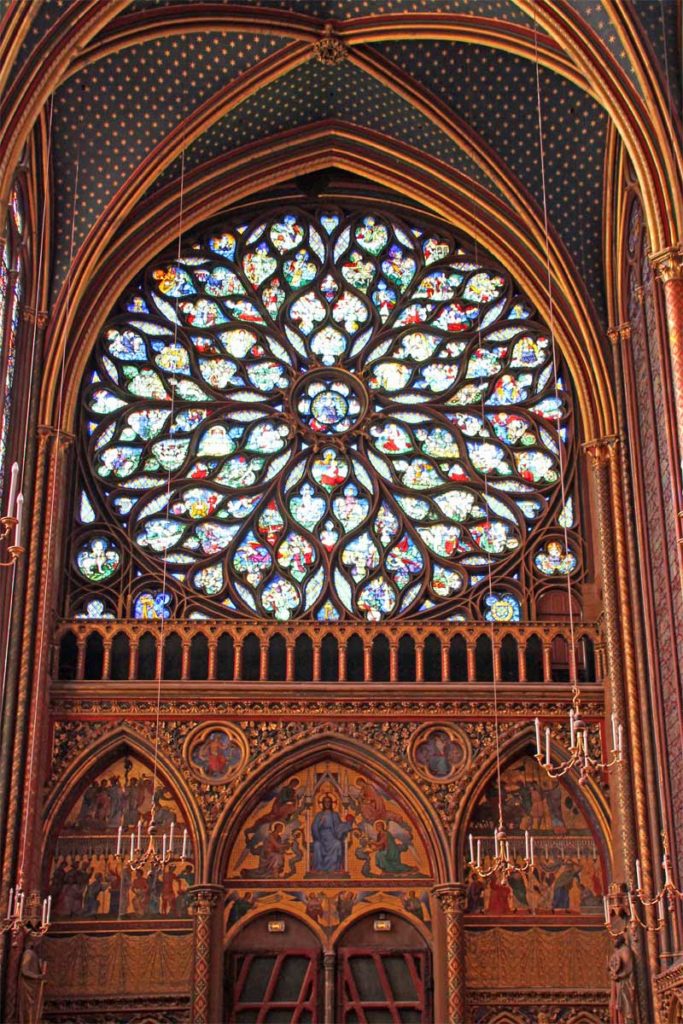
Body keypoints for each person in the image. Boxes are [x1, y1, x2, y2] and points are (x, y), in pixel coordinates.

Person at [311, 796, 354, 873]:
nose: (327, 803)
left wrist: (347, 824)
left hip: (332, 836)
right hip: (321, 837)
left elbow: (338, 827)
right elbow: (314, 828)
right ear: (322, 803)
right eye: (325, 802)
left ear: (331, 803)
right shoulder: (319, 815)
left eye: (329, 802)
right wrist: (321, 823)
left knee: (337, 844)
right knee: (317, 845)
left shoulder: (335, 815)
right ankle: (319, 868)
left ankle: (334, 868)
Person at [608, 934, 639, 1024]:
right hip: (619, 982)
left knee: (626, 1007)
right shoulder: (618, 951)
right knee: (618, 1006)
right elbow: (614, 966)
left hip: (625, 983)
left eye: (615, 939)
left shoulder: (625, 950)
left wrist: (619, 976)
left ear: (620, 939)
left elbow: (629, 968)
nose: (613, 941)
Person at [18, 936, 46, 1024]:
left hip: (33, 986)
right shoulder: (28, 953)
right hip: (28, 986)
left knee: (33, 1007)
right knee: (29, 1007)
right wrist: (37, 976)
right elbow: (24, 970)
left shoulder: (33, 954)